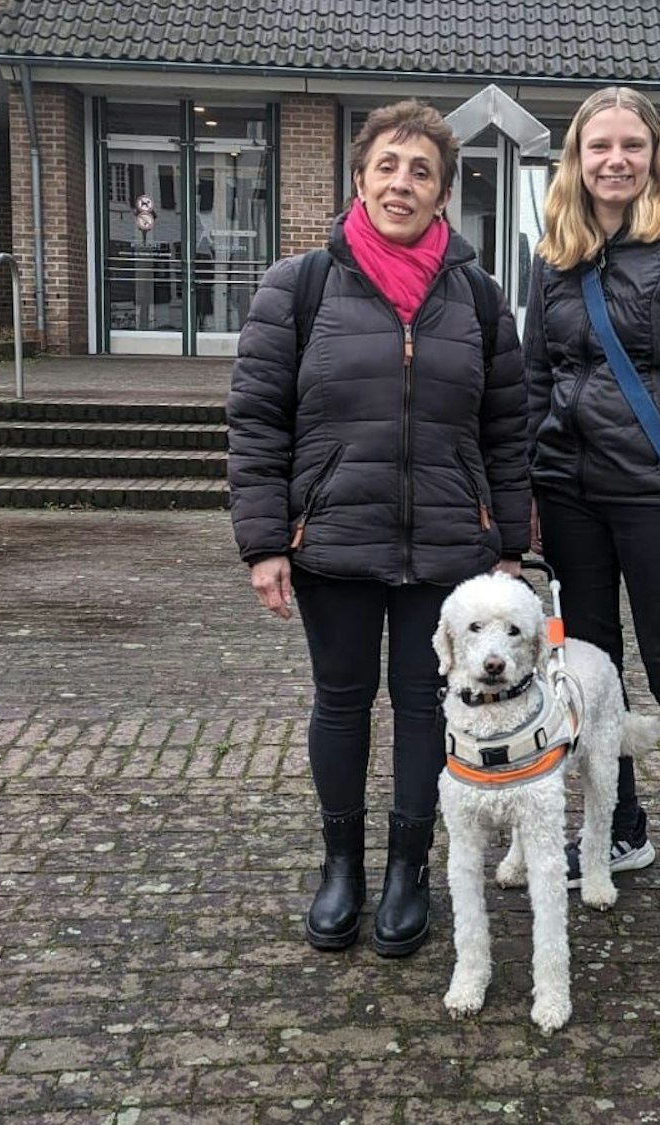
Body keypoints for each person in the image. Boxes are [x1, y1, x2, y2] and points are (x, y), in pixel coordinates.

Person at [227, 100, 528, 956]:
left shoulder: (476, 296)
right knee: (342, 702)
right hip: (335, 541)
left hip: (448, 545)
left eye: (422, 170)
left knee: (427, 706)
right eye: (388, 165)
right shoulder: (300, 285)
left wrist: (509, 545)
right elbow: (256, 420)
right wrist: (262, 541)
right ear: (360, 177)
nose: (403, 182)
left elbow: (507, 426)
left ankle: (407, 869)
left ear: (444, 194)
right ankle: (342, 868)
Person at [523, 86, 660, 946]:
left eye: (632, 145)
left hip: (657, 498)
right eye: (598, 147)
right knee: (591, 676)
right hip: (572, 496)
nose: (615, 160)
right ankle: (623, 827)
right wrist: (529, 498)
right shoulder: (557, 253)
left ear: (656, 154)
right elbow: (534, 380)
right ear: (576, 160)